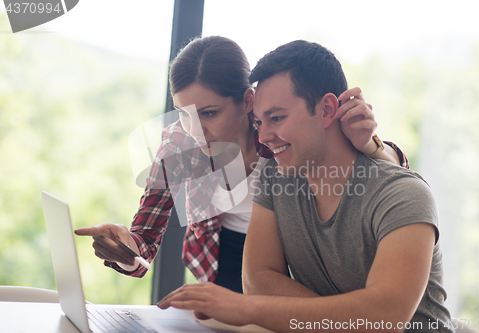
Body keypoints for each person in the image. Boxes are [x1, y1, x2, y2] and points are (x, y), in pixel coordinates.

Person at [157, 40, 453, 333]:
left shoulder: (403, 195)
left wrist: (245, 308)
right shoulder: (275, 176)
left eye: (277, 118)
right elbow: (258, 281)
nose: (263, 137)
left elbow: (382, 317)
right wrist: (348, 317)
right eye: (259, 123)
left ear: (326, 109)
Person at [75, 36, 408, 295]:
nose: (194, 130)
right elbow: (143, 247)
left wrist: (370, 144)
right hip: (218, 261)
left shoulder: (281, 135)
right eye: (183, 114)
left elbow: (389, 173)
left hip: (292, 266)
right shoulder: (179, 147)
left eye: (208, 113)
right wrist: (126, 252)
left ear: (247, 101)